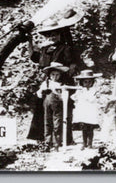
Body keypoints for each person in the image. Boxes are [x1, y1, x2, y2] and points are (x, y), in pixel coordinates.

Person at [26, 9, 84, 143]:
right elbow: (34, 58)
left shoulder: (66, 48)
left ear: (60, 35)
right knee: (43, 109)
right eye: (49, 35)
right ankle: (43, 138)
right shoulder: (45, 49)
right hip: (47, 82)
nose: (52, 37)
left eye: (55, 34)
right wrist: (29, 42)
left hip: (62, 81)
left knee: (63, 111)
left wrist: (65, 75)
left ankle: (64, 139)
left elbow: (72, 64)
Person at [35, 63, 70, 149]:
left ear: (60, 75)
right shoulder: (46, 83)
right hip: (47, 104)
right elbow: (39, 92)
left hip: (57, 105)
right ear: (49, 75)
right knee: (47, 122)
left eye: (57, 74)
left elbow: (65, 96)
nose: (55, 76)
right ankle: (47, 142)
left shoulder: (62, 84)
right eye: (53, 74)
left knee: (57, 123)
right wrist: (41, 92)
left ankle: (56, 143)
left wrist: (58, 93)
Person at [73, 69, 103, 149]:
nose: (87, 84)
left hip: (91, 111)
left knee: (90, 128)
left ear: (92, 82)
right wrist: (77, 96)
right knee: (84, 128)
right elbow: (73, 97)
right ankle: (84, 143)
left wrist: (96, 96)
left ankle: (90, 143)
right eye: (85, 82)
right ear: (82, 82)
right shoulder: (80, 90)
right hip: (83, 111)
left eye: (89, 82)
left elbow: (92, 99)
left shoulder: (94, 90)